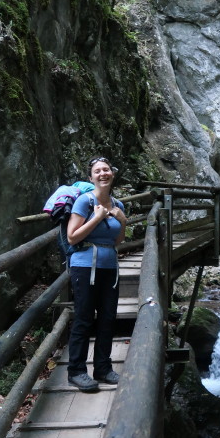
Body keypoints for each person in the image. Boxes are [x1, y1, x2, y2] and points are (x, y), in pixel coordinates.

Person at [66, 156, 127, 392]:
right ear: (91, 178)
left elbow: (118, 240)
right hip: (84, 266)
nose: (103, 173)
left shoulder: (118, 205)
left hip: (110, 267)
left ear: (112, 174)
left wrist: (122, 221)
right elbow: (72, 236)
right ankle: (77, 371)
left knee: (107, 319)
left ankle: (102, 368)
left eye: (107, 170)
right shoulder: (84, 201)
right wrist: (98, 217)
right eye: (98, 171)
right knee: (83, 318)